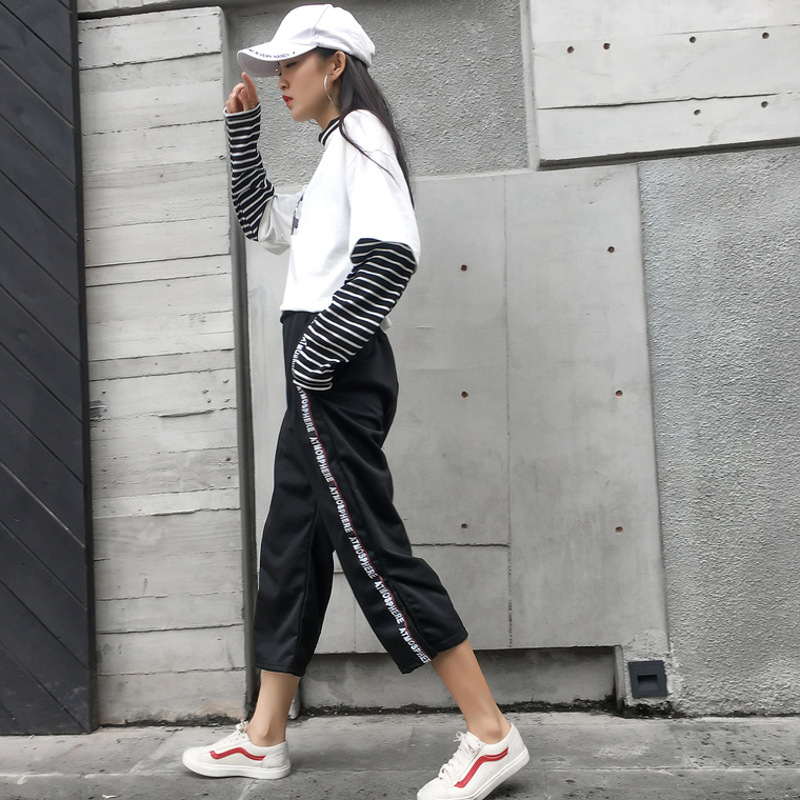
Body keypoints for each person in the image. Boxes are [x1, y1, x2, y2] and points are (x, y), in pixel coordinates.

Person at [181, 5, 529, 799]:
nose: (279, 79)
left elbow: (391, 254)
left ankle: (491, 735)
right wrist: (244, 135)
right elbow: (266, 225)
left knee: (371, 547)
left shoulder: (364, 136)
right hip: (324, 371)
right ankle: (264, 736)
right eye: (273, 69)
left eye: (291, 65)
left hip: (332, 372)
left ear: (335, 63)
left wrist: (313, 359)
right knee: (291, 547)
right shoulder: (336, 150)